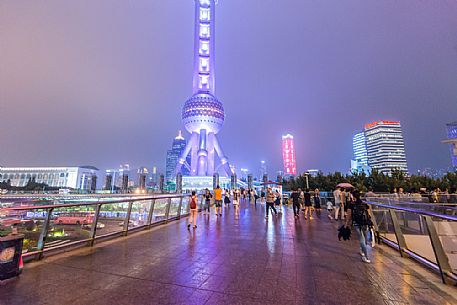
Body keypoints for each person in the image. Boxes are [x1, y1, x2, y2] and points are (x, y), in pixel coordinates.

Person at [345, 190, 373, 263]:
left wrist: (346, 224)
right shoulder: (364, 203)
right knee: (365, 237)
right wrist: (371, 223)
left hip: (356, 223)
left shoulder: (351, 204)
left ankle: (366, 257)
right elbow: (369, 215)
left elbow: (349, 216)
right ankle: (362, 251)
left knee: (361, 239)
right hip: (365, 222)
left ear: (353, 196)